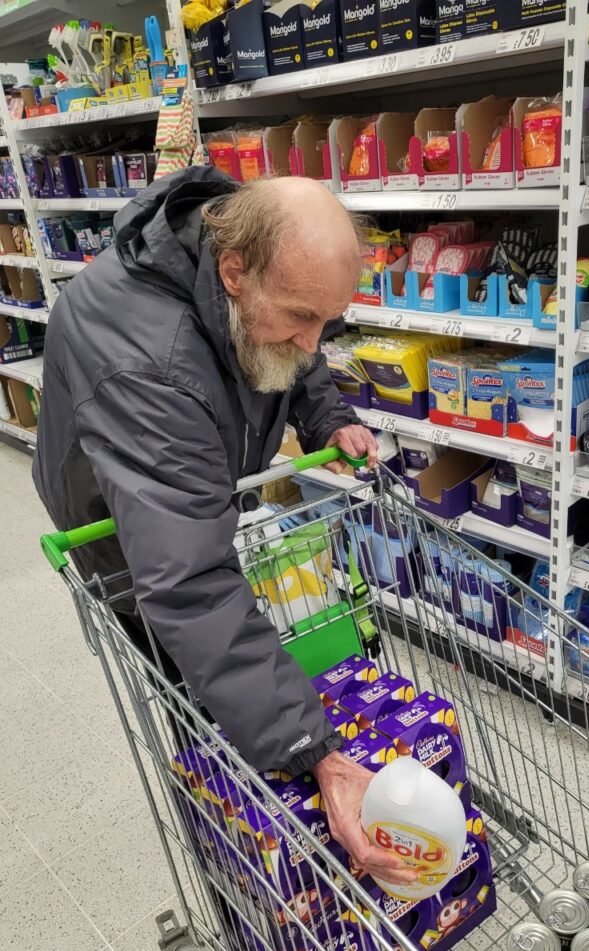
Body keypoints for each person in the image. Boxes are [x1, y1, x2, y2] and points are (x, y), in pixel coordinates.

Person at [33, 166, 414, 888]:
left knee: (225, 662)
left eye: (327, 319)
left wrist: (327, 416)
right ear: (234, 272)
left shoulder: (247, 263)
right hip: (117, 526)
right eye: (301, 316)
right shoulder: (149, 365)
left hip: (189, 485)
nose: (313, 342)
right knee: (185, 683)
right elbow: (187, 580)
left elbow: (293, 352)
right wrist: (314, 751)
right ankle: (230, 856)